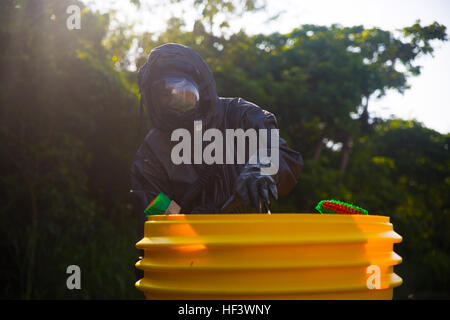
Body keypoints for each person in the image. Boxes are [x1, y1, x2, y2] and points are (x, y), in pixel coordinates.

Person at [130, 43, 303, 229]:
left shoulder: (240, 115)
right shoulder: (152, 152)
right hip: (193, 251)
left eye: (181, 89)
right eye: (164, 93)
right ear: (152, 98)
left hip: (254, 240)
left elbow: (280, 153)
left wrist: (261, 169)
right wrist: (191, 219)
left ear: (201, 86)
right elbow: (155, 211)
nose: (174, 98)